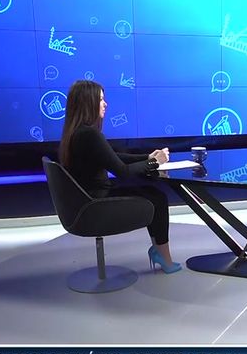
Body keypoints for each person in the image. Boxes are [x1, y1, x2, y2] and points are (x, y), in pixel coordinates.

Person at [58, 80, 181, 274]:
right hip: (95, 205)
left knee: (153, 194)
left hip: (86, 200)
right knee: (157, 198)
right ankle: (163, 256)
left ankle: (159, 252)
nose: (105, 104)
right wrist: (154, 163)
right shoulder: (89, 135)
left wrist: (148, 157)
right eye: (101, 100)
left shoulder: (77, 133)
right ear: (88, 103)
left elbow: (113, 157)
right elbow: (123, 172)